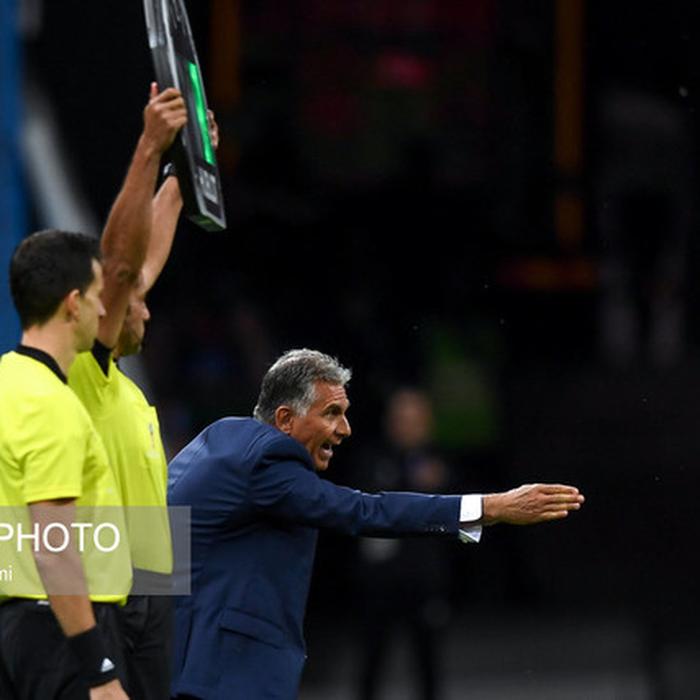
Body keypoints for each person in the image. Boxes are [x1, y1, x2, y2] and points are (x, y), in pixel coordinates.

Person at [167, 348, 585, 700]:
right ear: (285, 419)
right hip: (224, 675)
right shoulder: (269, 460)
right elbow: (363, 511)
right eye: (332, 413)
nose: (344, 429)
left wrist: (140, 644)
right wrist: (490, 507)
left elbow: (159, 520)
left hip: (187, 663)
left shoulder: (220, 439)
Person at [67, 83, 200, 700]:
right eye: (132, 302)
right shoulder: (83, 373)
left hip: (152, 581)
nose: (145, 305)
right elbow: (123, 268)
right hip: (105, 591)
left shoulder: (126, 390)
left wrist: (184, 176)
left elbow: (139, 269)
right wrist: (150, 147)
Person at [0, 230, 131, 699]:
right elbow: (53, 547)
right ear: (73, 304)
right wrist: (99, 670)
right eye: (97, 297)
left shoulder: (6, 381)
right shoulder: (52, 404)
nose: (104, 311)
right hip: (62, 633)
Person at [354, 387, 454, 700]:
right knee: (372, 656)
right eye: (401, 419)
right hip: (379, 579)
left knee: (428, 659)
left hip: (424, 578)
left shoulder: (439, 462)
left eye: (415, 420)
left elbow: (463, 523)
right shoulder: (374, 460)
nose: (407, 427)